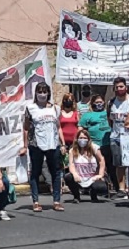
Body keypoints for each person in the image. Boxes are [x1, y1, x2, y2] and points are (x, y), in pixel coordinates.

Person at [22, 82, 64, 212]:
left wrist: (62, 144)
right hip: (36, 144)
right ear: (35, 93)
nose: (42, 94)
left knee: (56, 172)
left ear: (48, 93)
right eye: (39, 91)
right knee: (35, 172)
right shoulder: (30, 108)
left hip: (53, 143)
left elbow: (58, 127)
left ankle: (56, 201)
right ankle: (35, 202)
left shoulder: (55, 108)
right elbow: (26, 128)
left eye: (44, 91)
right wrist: (24, 145)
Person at [64, 129, 109, 203]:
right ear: (77, 139)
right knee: (68, 177)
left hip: (92, 177)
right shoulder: (72, 150)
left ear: (88, 139)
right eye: (81, 138)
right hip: (79, 177)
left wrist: (100, 175)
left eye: (85, 138)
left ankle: (93, 194)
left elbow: (101, 160)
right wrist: (75, 174)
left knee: (101, 187)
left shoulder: (94, 147)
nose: (83, 140)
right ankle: (76, 196)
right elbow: (71, 164)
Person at [108, 77, 129, 199]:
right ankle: (122, 189)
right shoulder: (111, 102)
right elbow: (110, 120)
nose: (119, 89)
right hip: (115, 137)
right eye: (117, 87)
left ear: (126, 87)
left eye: (121, 86)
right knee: (119, 164)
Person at [59, 92, 81, 175]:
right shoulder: (59, 113)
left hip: (74, 141)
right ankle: (62, 180)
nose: (68, 101)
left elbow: (79, 125)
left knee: (74, 160)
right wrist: (62, 143)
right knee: (63, 161)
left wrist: (77, 139)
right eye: (67, 100)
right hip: (62, 141)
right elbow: (58, 127)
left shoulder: (76, 113)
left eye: (71, 100)